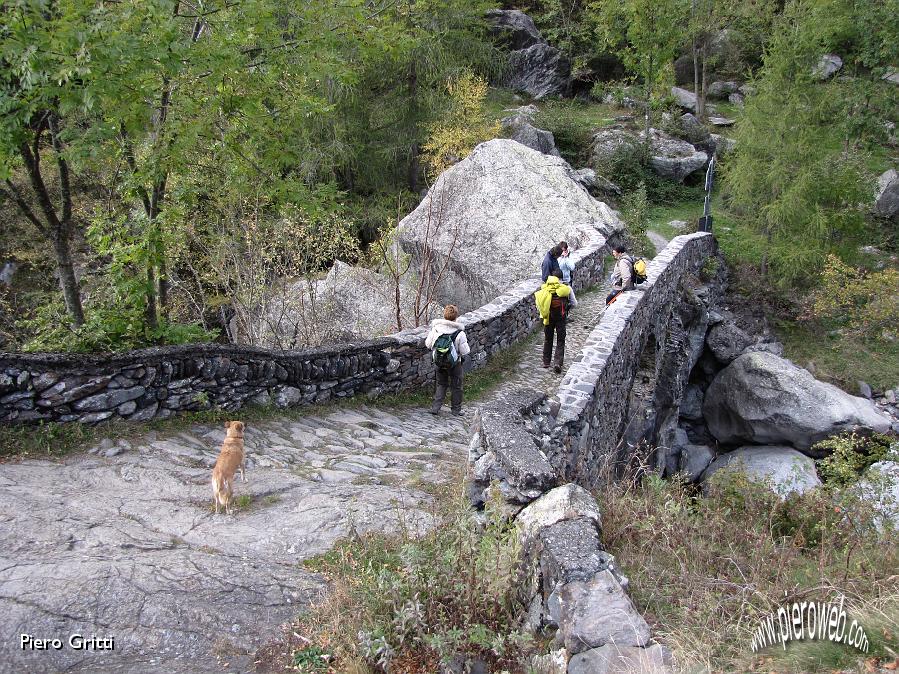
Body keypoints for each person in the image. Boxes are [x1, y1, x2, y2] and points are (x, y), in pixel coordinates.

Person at [424, 304, 470, 416]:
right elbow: (465, 351)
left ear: (444, 316)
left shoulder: (435, 329)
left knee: (441, 384)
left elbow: (428, 344)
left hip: (439, 362)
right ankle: (455, 410)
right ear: (456, 317)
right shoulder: (460, 333)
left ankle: (435, 408)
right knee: (456, 386)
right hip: (455, 364)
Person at [535, 275, 571, 373]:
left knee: (548, 339)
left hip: (548, 319)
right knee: (560, 340)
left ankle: (546, 362)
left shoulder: (543, 292)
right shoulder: (564, 290)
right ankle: (557, 363)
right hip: (561, 319)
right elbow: (573, 303)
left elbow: (539, 306)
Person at [557, 241, 578, 315]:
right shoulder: (557, 256)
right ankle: (562, 316)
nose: (563, 252)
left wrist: (566, 258)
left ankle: (566, 314)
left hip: (566, 281)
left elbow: (572, 267)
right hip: (558, 282)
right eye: (561, 250)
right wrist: (561, 257)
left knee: (570, 301)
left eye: (564, 250)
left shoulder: (569, 257)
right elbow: (557, 266)